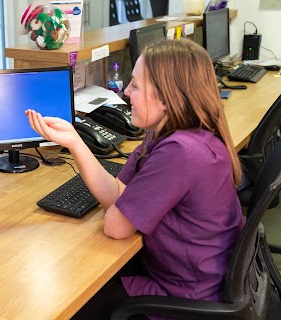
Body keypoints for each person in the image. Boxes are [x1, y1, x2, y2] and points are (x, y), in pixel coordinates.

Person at [25, 38, 245, 319]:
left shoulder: (181, 152)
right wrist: (75, 143)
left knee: (70, 305)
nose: (126, 92)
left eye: (136, 86)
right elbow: (119, 193)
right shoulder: (167, 133)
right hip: (194, 273)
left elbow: (117, 226)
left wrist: (118, 211)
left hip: (184, 293)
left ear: (166, 98)